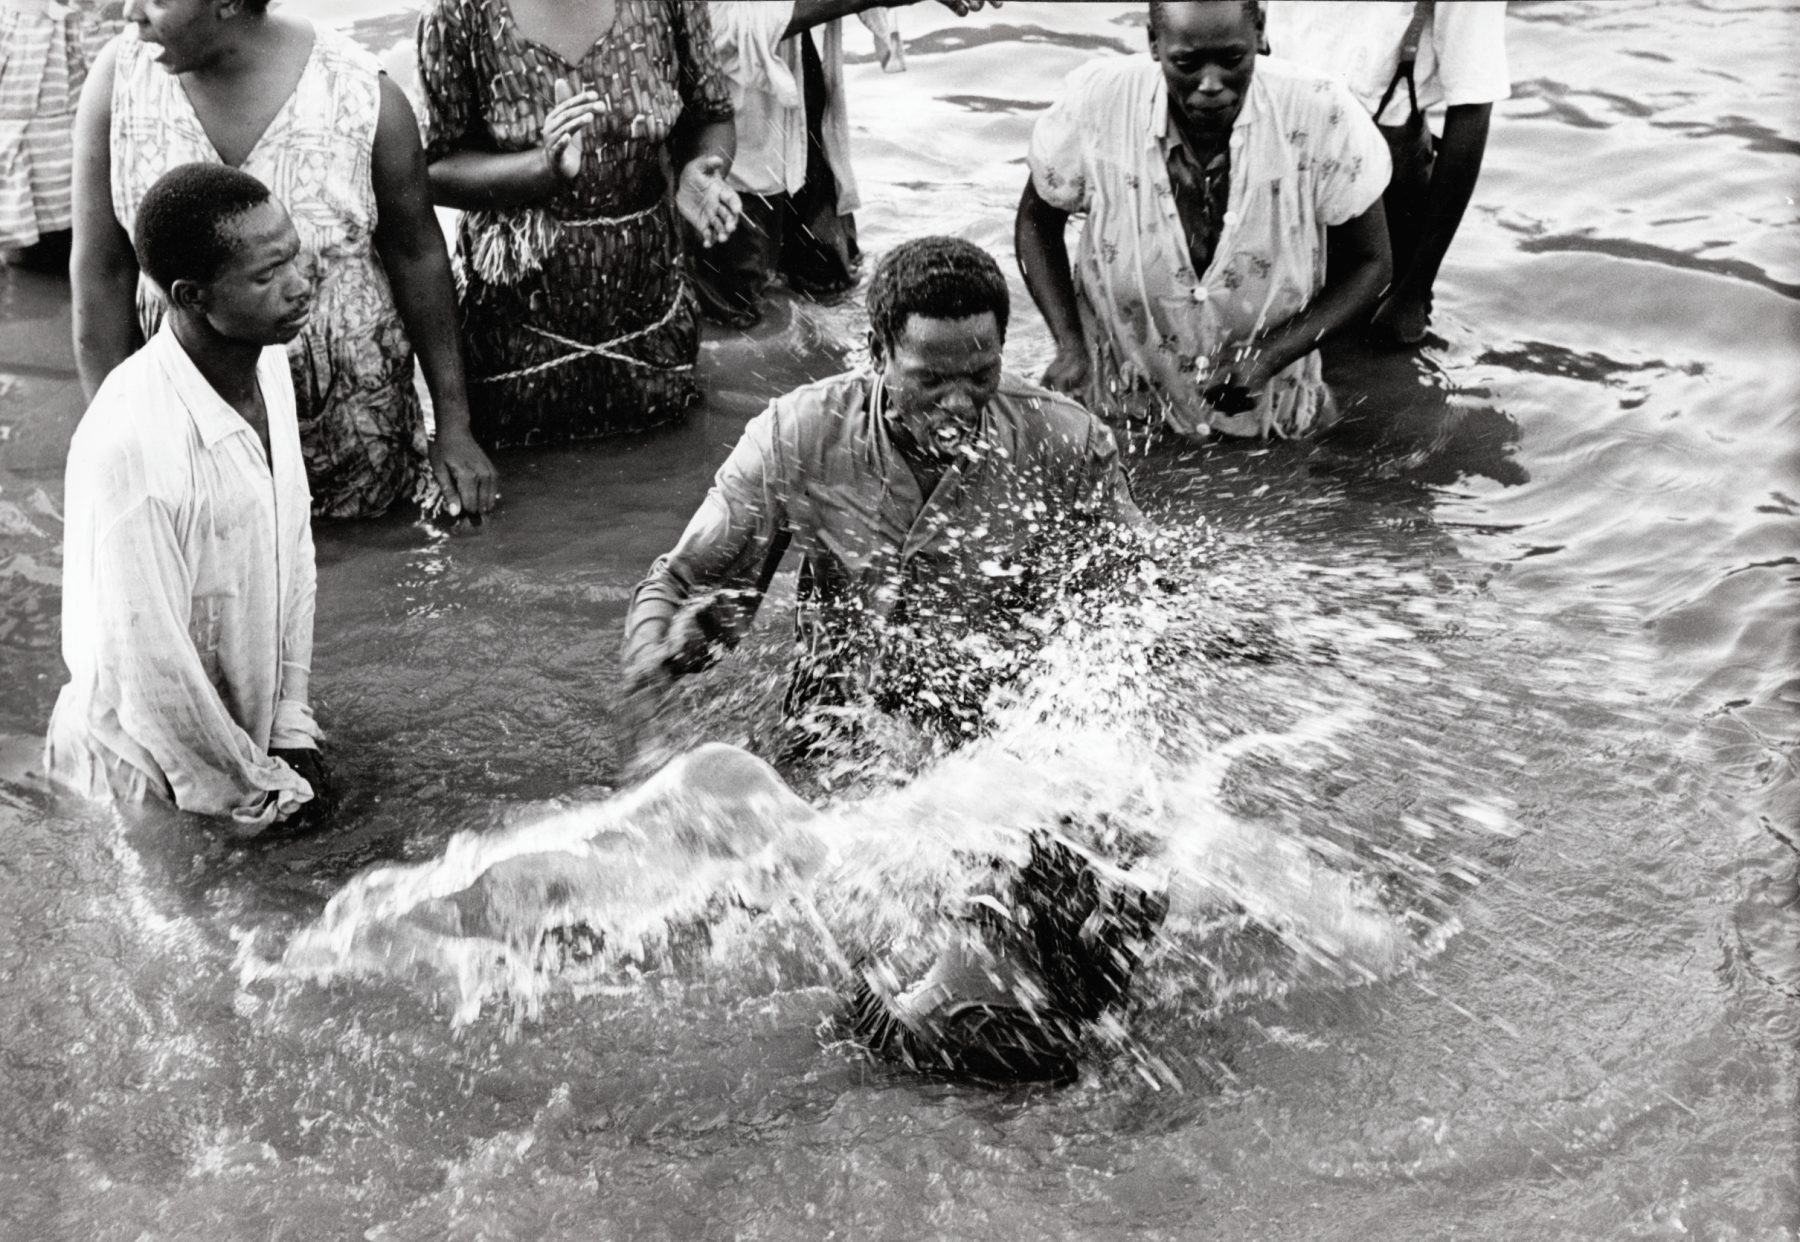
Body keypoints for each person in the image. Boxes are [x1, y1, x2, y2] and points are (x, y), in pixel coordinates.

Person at [620, 235, 1141, 747]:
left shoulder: (1066, 442)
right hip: (839, 719)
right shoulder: (798, 434)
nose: (959, 403)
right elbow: (681, 581)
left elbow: (1132, 593)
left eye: (982, 376)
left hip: (1006, 732)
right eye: (931, 380)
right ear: (877, 353)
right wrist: (651, 662)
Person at [70, 0, 498, 521]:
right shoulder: (118, 85)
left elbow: (419, 255)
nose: (130, 12)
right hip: (189, 439)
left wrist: (452, 426)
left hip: (354, 441)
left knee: (368, 577)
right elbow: (102, 271)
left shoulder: (361, 95)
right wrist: (111, 442)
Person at [46, 163, 329, 833]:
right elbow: (147, 676)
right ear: (192, 295)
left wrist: (289, 721)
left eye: (294, 257)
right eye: (266, 277)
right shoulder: (131, 447)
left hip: (242, 743)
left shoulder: (268, 363)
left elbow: (293, 549)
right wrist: (254, 788)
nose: (299, 288)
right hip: (144, 776)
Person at [1015, 0, 1393, 443]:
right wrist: (1070, 346)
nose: (1211, 83)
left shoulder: (1322, 113)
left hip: (1269, 407)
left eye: (1232, 60)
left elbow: (1372, 264)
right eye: (1187, 63)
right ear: (1154, 44)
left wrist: (1269, 355)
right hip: (1124, 398)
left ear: (1260, 35)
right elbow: (1036, 224)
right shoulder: (1096, 104)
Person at [418, 0, 743, 448]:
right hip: (515, 339)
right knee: (527, 489)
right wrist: (541, 169)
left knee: (670, 473)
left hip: (650, 320)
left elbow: (712, 116)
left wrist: (701, 170)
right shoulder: (460, 11)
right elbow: (433, 170)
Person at [692, 0, 994, 328]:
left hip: (799, 107)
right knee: (732, 318)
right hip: (727, 137)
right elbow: (724, 25)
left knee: (829, 289)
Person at [1264, 1, 1508, 346]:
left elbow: (1472, 104)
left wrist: (1413, 290)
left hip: (1386, 186)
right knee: (1268, 339)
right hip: (1275, 153)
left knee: (1370, 359)